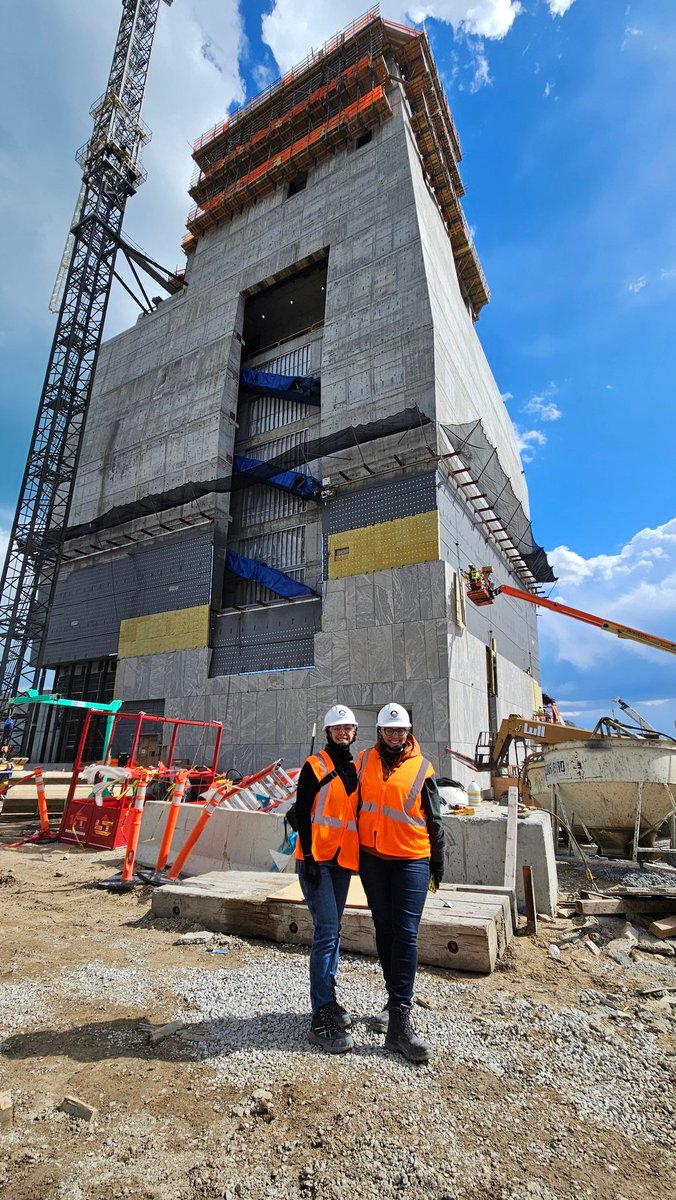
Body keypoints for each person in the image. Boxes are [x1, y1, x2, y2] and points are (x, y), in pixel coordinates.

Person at [357, 703, 444, 1063]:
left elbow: (435, 820)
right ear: (379, 732)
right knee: (384, 929)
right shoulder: (363, 761)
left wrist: (437, 864)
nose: (395, 736)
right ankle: (392, 1005)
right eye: (389, 731)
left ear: (409, 732)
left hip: (411, 859)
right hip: (373, 859)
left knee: (406, 933)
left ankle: (401, 1024)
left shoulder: (423, 768)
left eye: (401, 731)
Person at [295, 704, 360, 1054]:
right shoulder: (314, 765)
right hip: (317, 861)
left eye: (348, 728)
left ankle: (329, 999)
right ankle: (320, 1016)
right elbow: (300, 813)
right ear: (328, 732)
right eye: (337, 728)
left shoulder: (355, 767)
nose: (343, 733)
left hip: (342, 862)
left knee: (334, 932)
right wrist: (307, 857)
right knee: (326, 932)